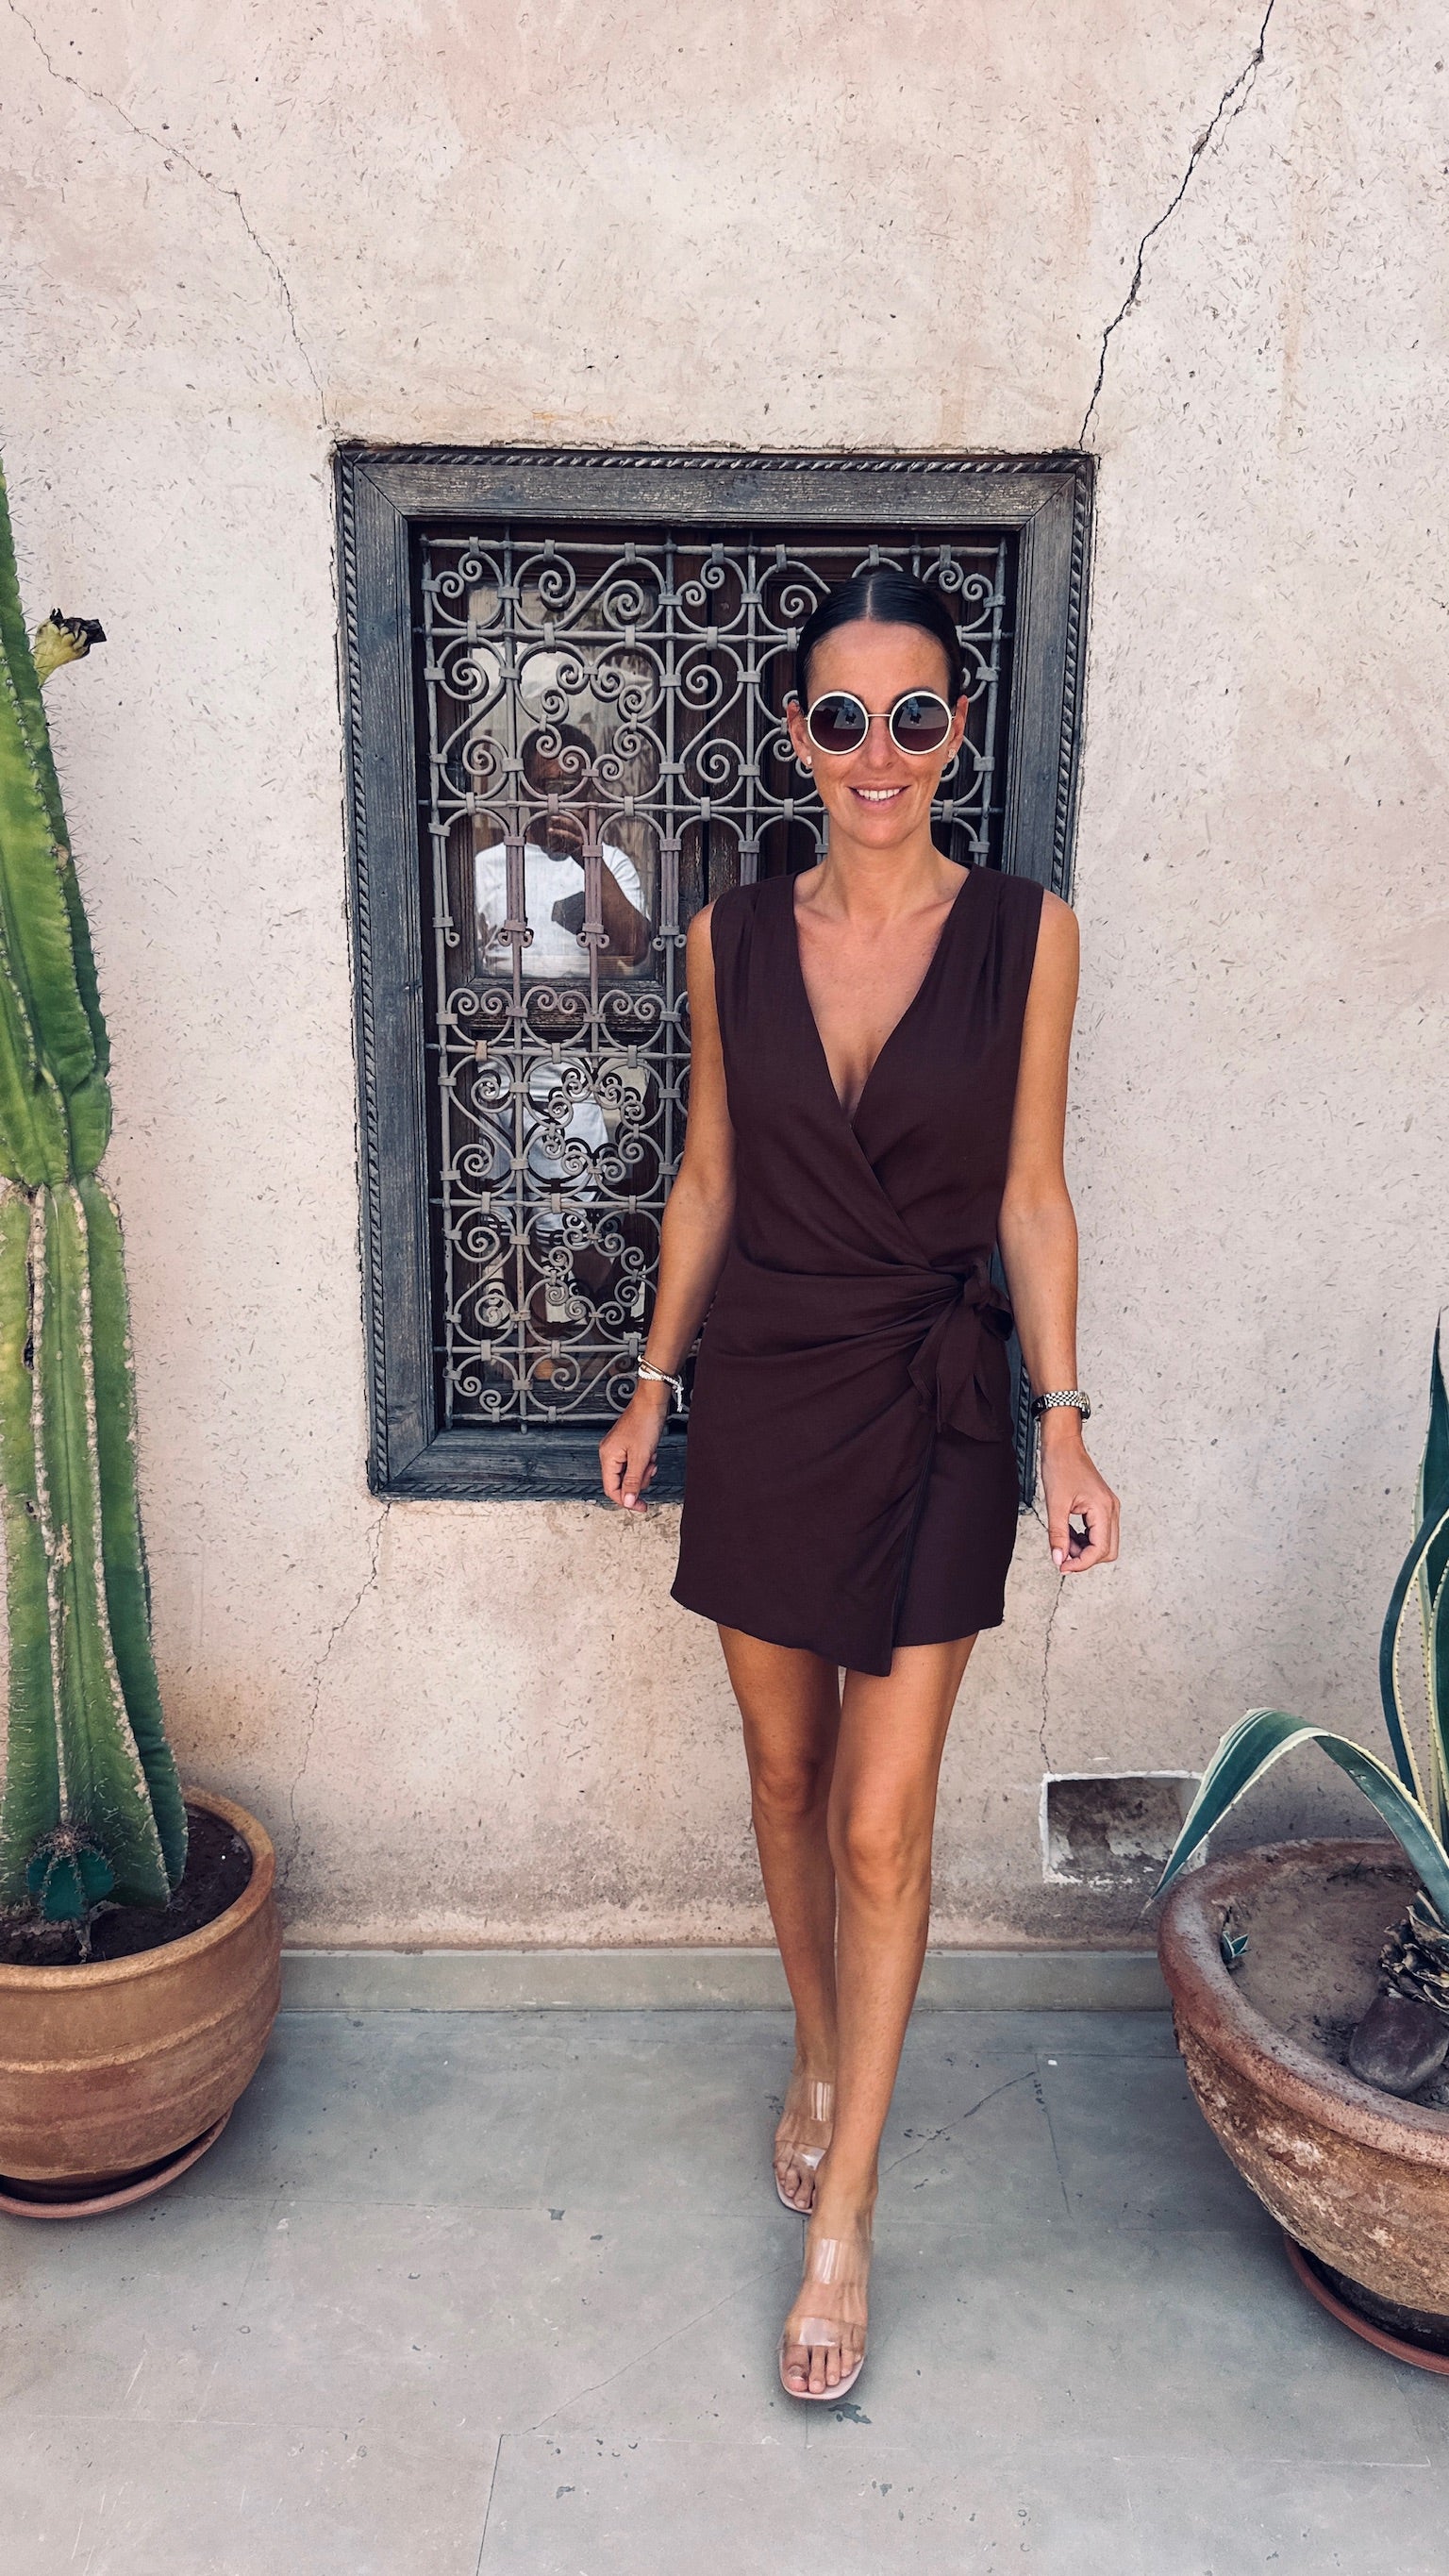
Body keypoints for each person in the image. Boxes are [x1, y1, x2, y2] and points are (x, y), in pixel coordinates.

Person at [598, 567, 1119, 2403]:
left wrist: (1064, 1418)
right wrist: (652, 1380)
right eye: (843, 718)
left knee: (884, 1822)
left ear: (957, 731)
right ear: (796, 737)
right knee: (787, 1773)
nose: (878, 752)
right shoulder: (731, 938)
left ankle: (849, 2215)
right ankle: (815, 2050)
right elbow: (709, 1177)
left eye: (914, 717)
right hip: (764, 1388)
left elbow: (1032, 1195)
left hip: (938, 1399)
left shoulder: (1030, 936)